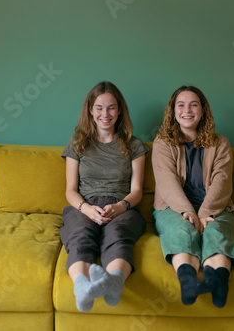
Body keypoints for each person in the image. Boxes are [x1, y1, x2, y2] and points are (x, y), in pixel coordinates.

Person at [60, 81, 149, 312]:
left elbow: (137, 190)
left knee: (118, 236)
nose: (105, 114)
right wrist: (86, 209)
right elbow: (70, 189)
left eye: (111, 107)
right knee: (80, 235)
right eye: (99, 107)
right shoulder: (77, 143)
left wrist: (120, 207)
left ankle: (115, 283)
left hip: (121, 207)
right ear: (90, 110)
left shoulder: (134, 145)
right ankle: (82, 288)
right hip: (84, 206)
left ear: (119, 110)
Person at [152, 85, 234, 308]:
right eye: (180, 105)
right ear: (173, 111)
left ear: (203, 110)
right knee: (182, 230)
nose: (187, 110)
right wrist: (189, 213)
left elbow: (222, 182)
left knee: (216, 231)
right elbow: (167, 183)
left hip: (214, 207)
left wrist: (204, 214)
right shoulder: (162, 142)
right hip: (173, 207)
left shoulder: (221, 143)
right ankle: (189, 282)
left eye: (194, 104)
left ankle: (218, 282)